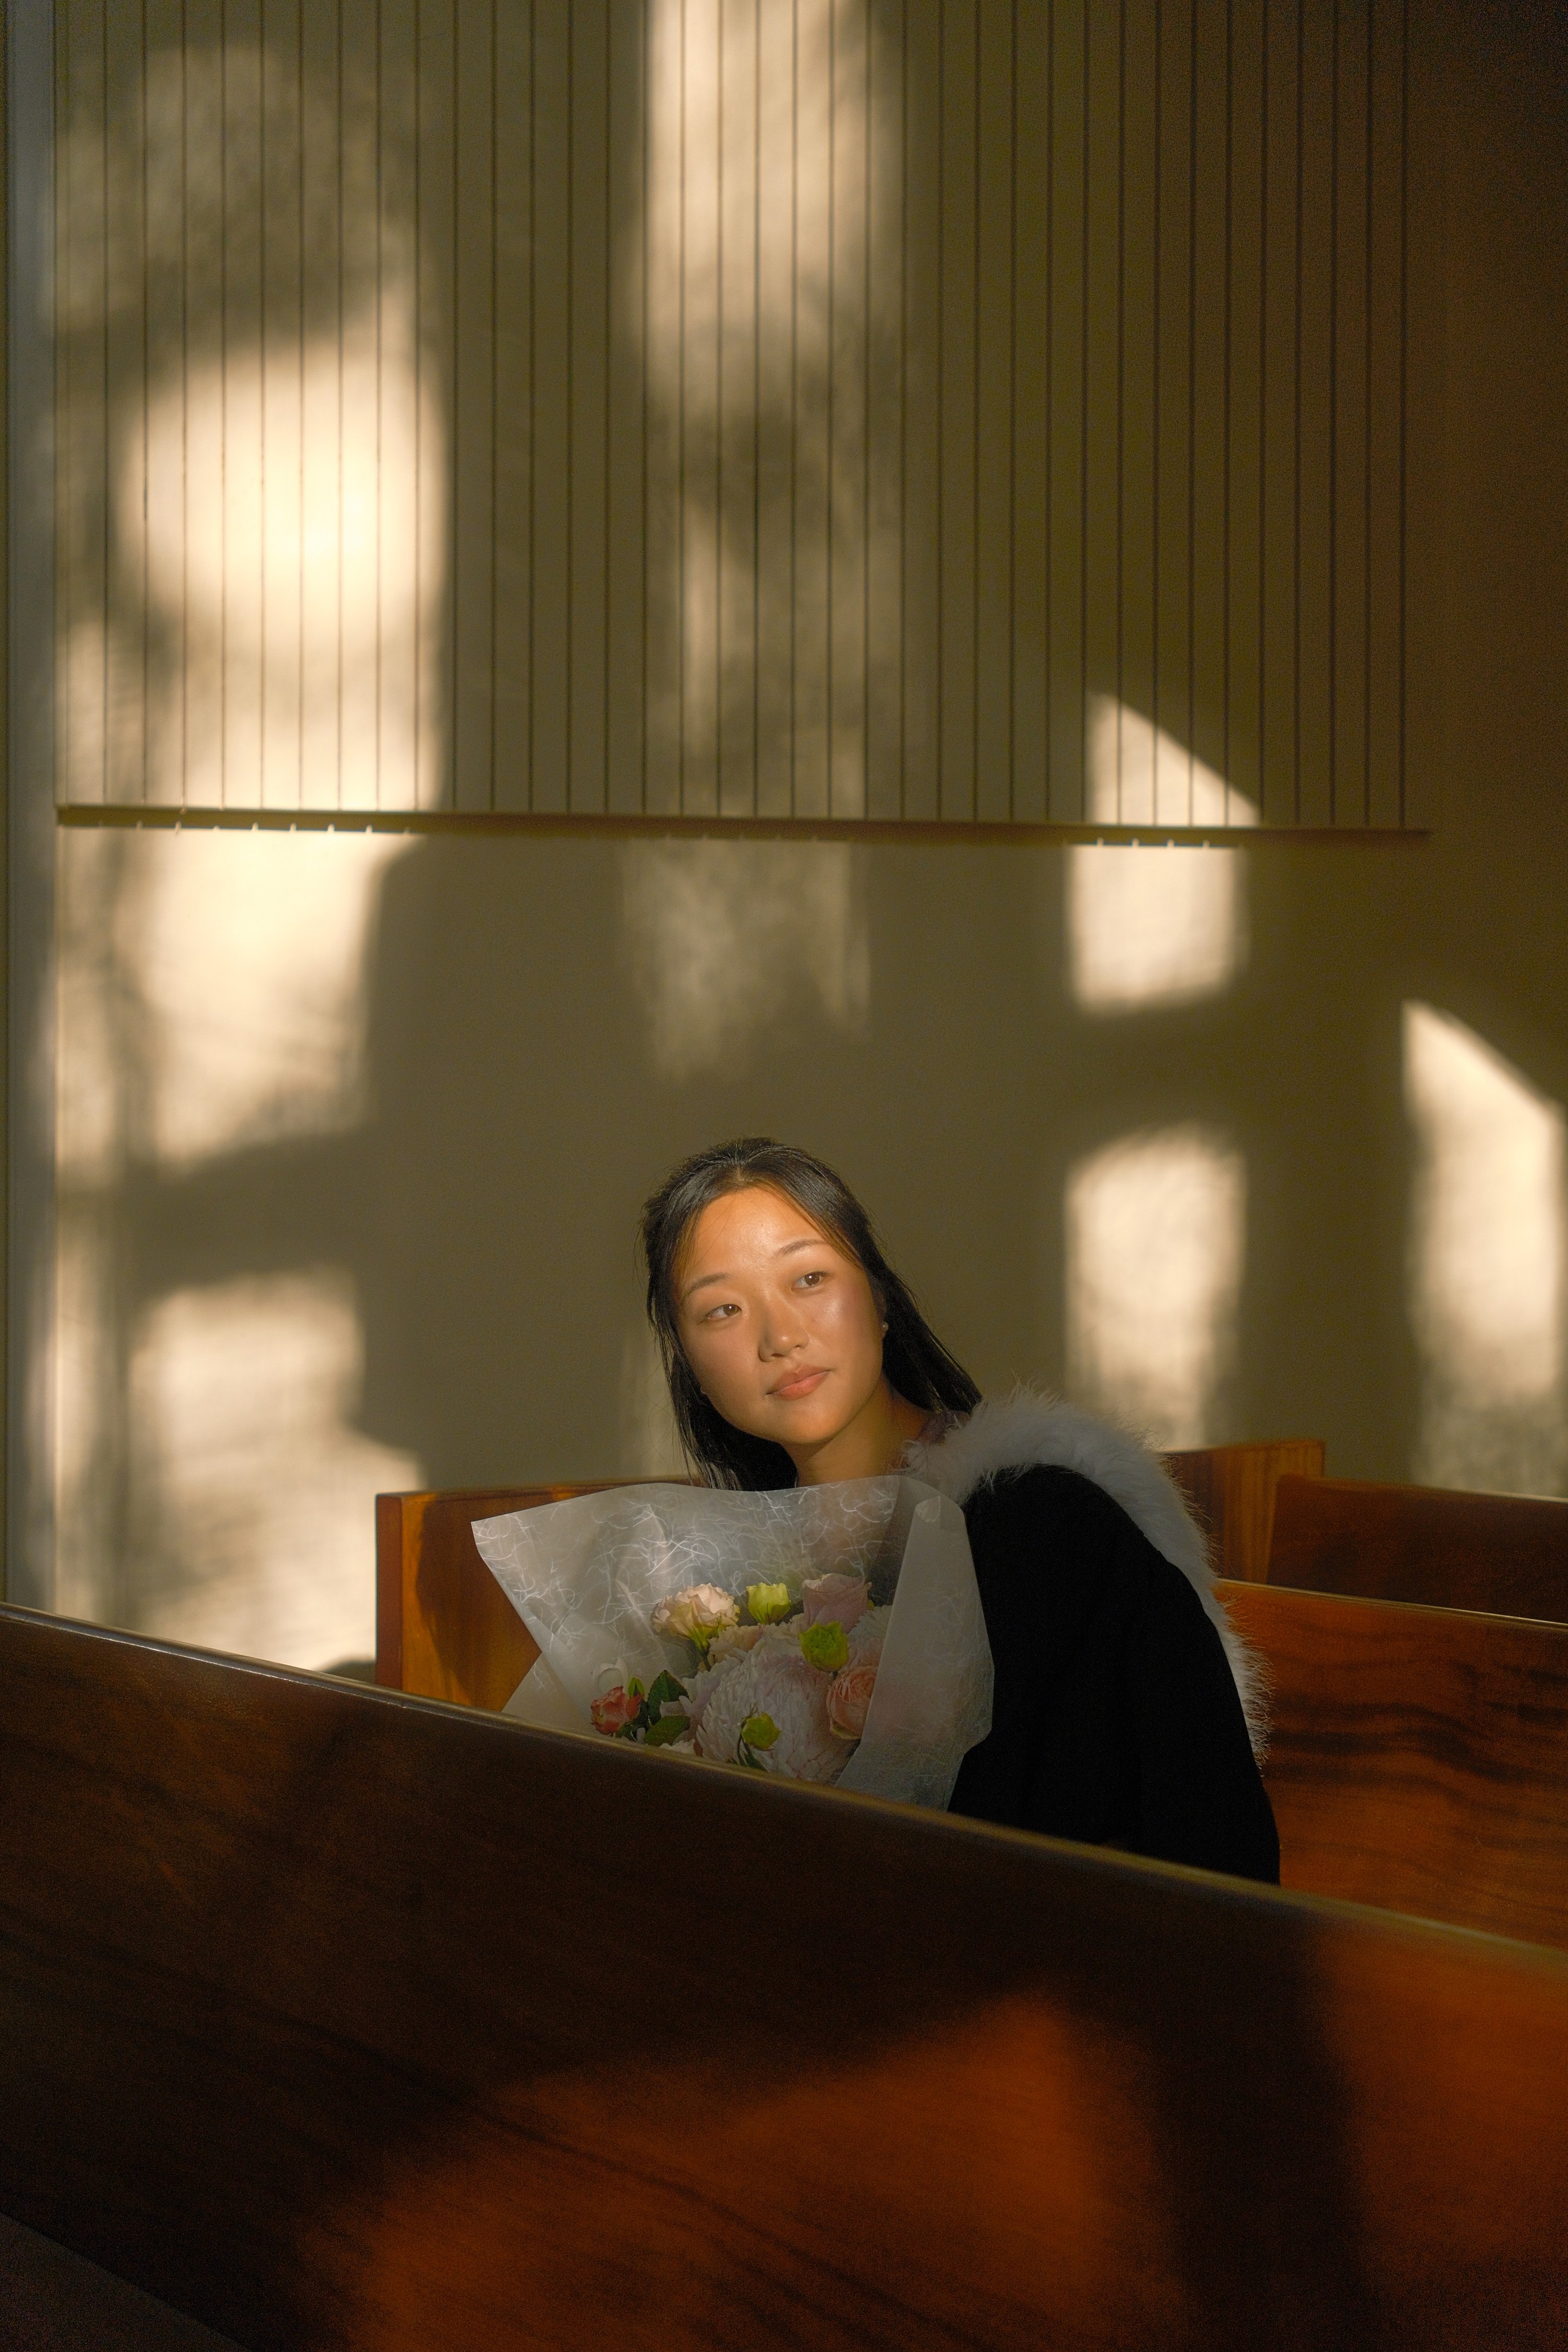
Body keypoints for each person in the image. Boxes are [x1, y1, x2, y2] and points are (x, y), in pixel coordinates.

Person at [640, 1135, 1280, 1885]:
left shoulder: (1044, 1526)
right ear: (689, 1363)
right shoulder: (733, 1595)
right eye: (722, 1309)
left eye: (809, 1279)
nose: (781, 1338)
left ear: (879, 1298)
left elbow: (1183, 1831)